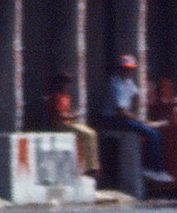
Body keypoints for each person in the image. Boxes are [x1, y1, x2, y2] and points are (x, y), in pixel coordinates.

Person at [102, 54, 169, 182]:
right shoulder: (116, 84)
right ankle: (153, 169)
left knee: (152, 133)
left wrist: (135, 111)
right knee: (152, 134)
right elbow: (120, 111)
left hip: (122, 118)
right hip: (111, 119)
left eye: (131, 68)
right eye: (126, 68)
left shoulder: (128, 81)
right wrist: (138, 119)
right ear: (121, 69)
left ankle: (155, 168)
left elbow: (137, 95)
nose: (129, 71)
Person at [45, 71, 99, 179]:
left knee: (92, 133)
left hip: (67, 123)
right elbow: (58, 115)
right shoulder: (56, 96)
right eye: (65, 82)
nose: (67, 85)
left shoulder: (66, 96)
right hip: (58, 125)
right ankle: (90, 167)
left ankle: (93, 165)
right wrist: (72, 116)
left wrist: (72, 117)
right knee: (88, 134)